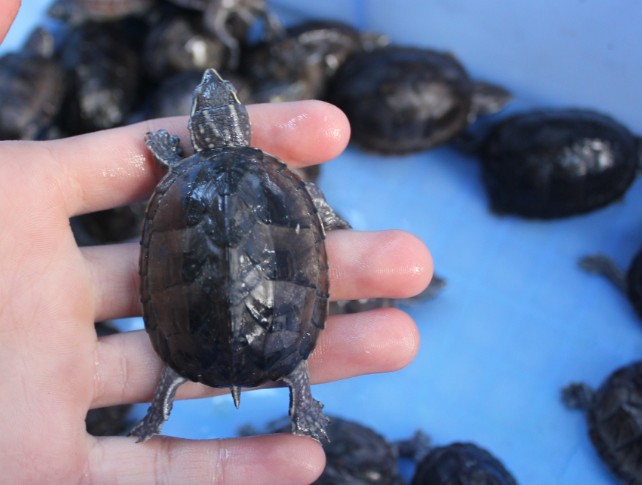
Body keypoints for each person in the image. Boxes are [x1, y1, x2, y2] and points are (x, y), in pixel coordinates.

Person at [0, 3, 432, 483]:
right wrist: (335, 221)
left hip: (191, 331)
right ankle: (300, 397)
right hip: (271, 333)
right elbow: (313, 203)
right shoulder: (274, 174)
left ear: (200, 130)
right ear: (241, 127)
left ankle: (160, 410)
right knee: (286, 352)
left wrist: (168, 156)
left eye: (214, 100)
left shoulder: (179, 172)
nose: (212, 85)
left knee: (173, 362)